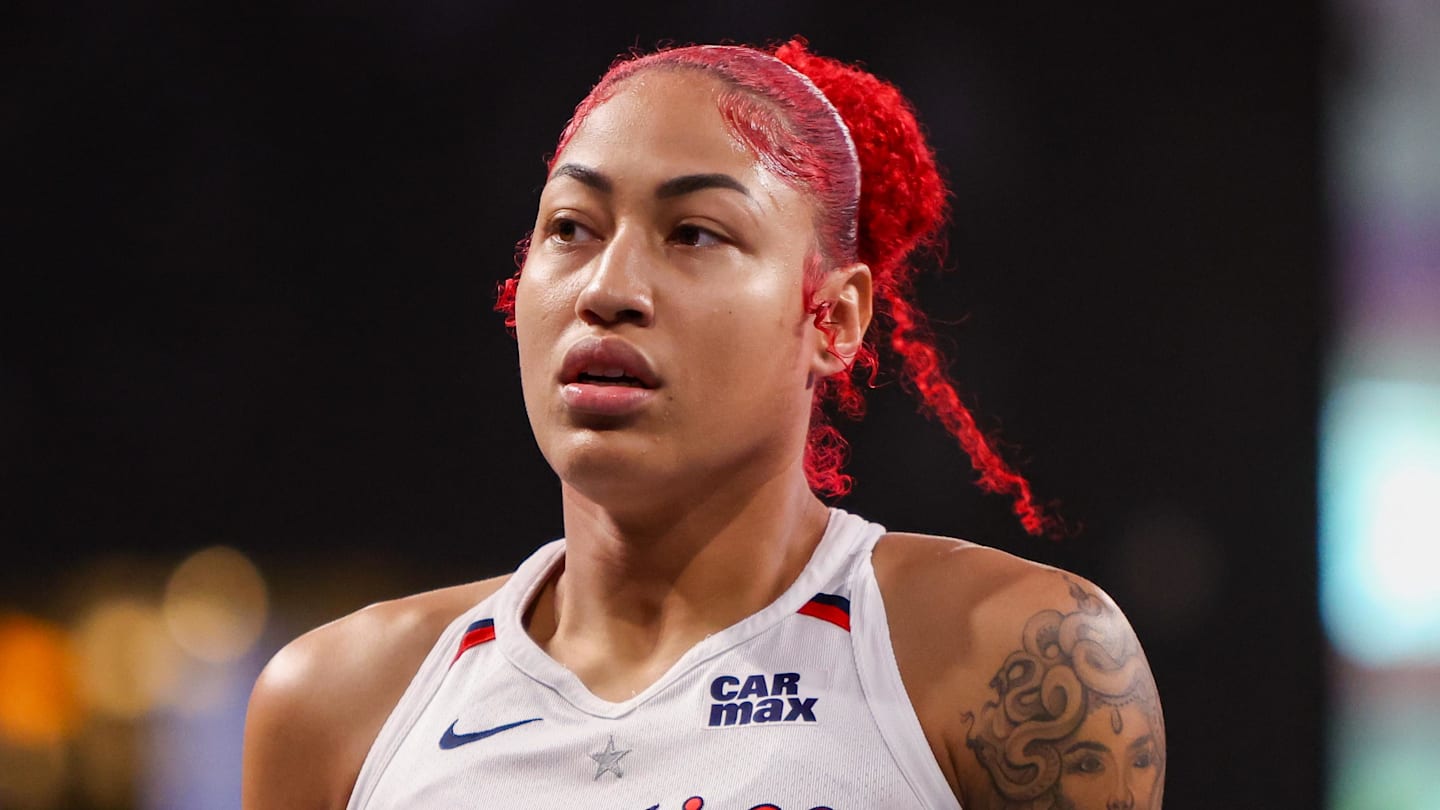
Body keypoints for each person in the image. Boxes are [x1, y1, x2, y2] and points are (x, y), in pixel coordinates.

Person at [242, 39, 1165, 810]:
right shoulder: (337, 705)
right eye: (571, 227)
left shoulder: (1010, 659)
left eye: (694, 233)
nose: (608, 290)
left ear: (833, 319)